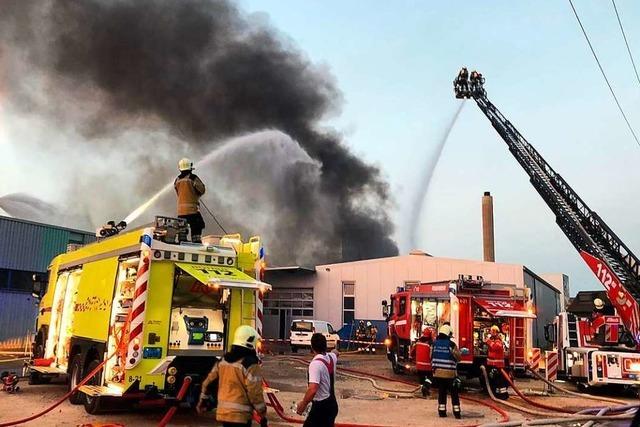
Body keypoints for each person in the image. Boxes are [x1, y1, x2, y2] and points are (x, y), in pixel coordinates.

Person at [197, 325, 267, 427]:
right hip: (241, 417)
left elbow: (208, 383)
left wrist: (203, 401)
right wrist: (262, 413)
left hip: (223, 414)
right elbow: (254, 393)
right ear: (250, 341)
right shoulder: (250, 364)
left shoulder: (223, 361)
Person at [297, 333, 339, 427]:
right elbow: (336, 352)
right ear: (325, 345)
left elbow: (313, 389)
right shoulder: (332, 357)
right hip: (332, 405)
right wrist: (334, 351)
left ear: (312, 347)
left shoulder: (315, 364)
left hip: (321, 409)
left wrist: (303, 405)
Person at [431, 324, 462, 418]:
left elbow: (430, 356)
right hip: (450, 374)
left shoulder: (434, 344)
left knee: (442, 392)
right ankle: (457, 413)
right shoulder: (451, 345)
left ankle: (442, 412)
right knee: (454, 393)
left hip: (438, 373)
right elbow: (458, 358)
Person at [174, 158, 206, 243]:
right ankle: (196, 242)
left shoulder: (177, 180)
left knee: (182, 230)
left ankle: (182, 240)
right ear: (190, 168)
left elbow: (178, 193)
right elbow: (202, 189)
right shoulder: (193, 178)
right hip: (192, 211)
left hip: (181, 212)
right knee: (198, 225)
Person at [486, 325, 508, 400]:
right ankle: (497, 394)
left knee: (499, 381)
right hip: (492, 364)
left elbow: (496, 347)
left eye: (492, 331)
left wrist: (489, 342)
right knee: (494, 381)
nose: (491, 333)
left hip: (497, 365)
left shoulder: (498, 340)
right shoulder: (493, 340)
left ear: (495, 332)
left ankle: (503, 395)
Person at [411, 328, 433, 397]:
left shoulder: (417, 342)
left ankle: (424, 392)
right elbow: (432, 355)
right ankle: (426, 387)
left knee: (421, 379)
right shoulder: (430, 344)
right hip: (428, 366)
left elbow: (412, 353)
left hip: (419, 366)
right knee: (430, 378)